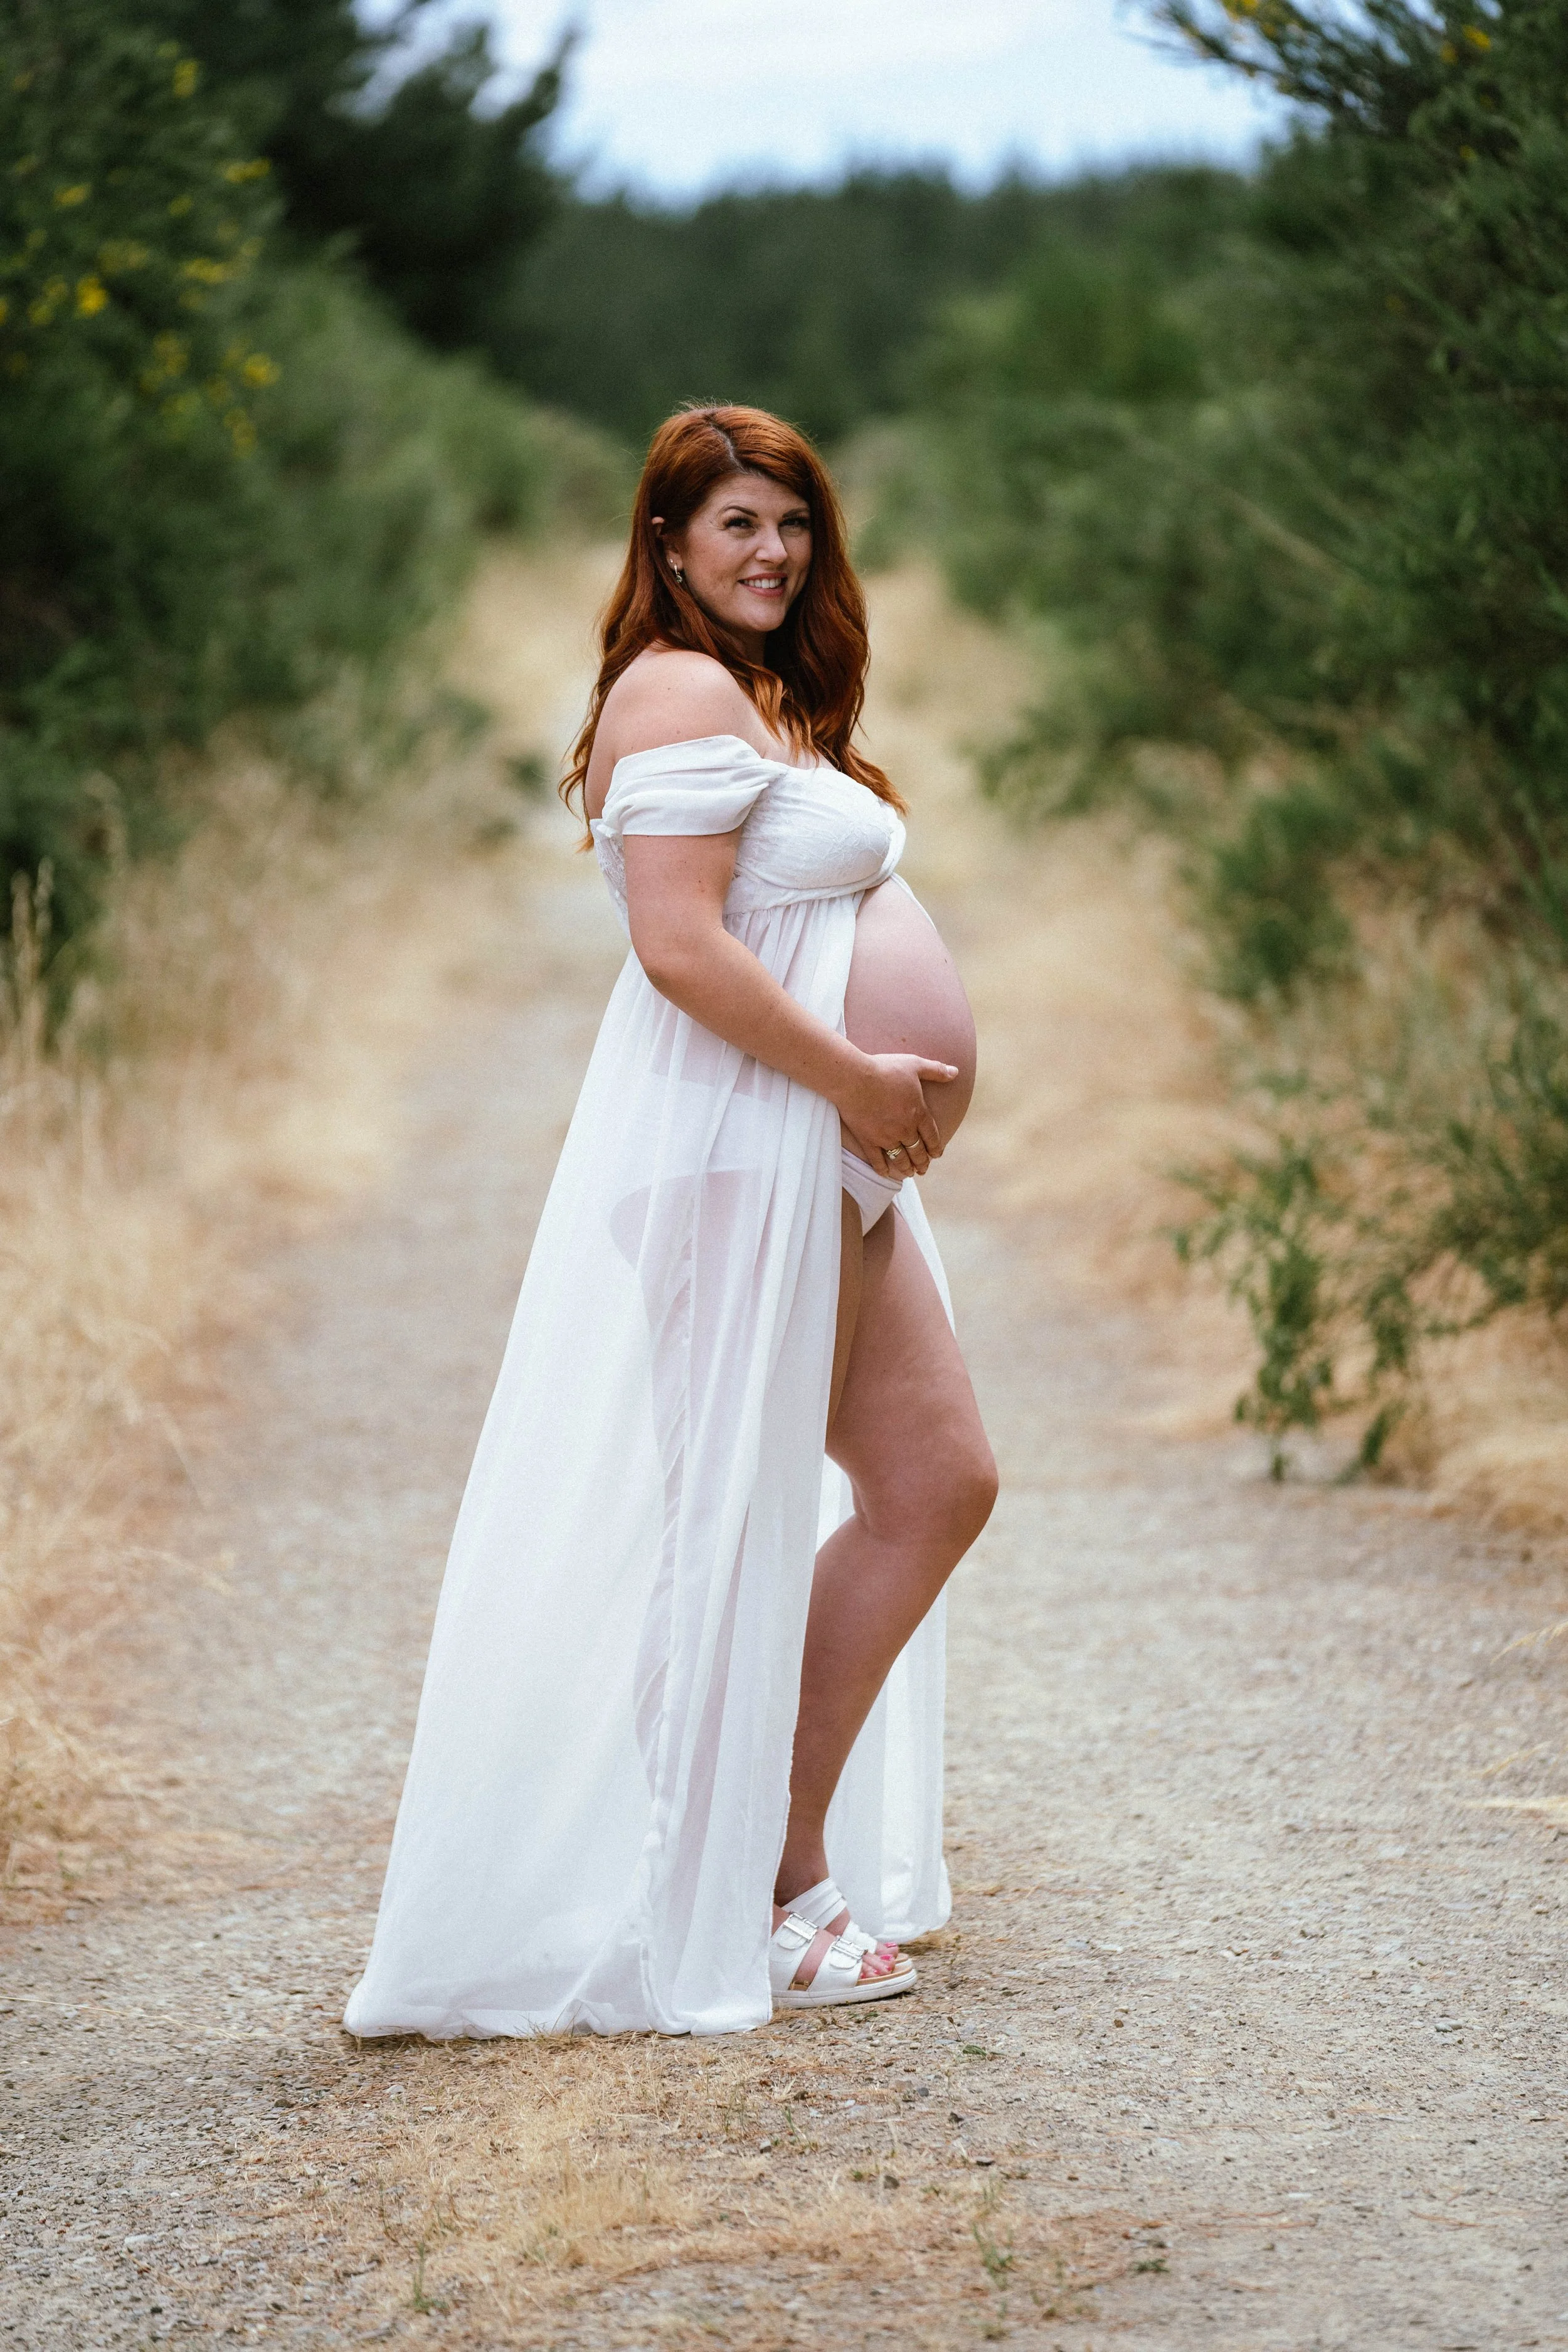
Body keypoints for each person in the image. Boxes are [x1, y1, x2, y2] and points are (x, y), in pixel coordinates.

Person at [344, 404, 996, 2041]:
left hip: (816, 1159)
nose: (770, 551)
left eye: (789, 521)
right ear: (665, 545)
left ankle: (755, 1852)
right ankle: (763, 1887)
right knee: (738, 1504)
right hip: (736, 1153)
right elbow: (680, 949)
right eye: (735, 527)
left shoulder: (761, 687)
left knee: (934, 1482)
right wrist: (857, 1076)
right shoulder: (677, 687)